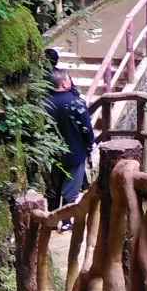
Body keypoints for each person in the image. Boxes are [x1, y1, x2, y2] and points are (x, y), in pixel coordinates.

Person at [46, 67, 96, 208]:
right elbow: (86, 128)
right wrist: (90, 144)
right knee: (71, 187)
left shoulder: (45, 103)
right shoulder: (76, 103)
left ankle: (52, 219)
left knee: (54, 186)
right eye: (69, 79)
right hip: (76, 151)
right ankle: (67, 221)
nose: (70, 82)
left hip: (52, 152)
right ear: (63, 83)